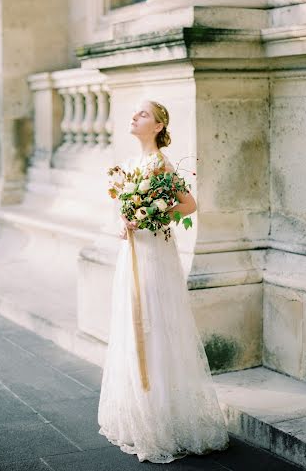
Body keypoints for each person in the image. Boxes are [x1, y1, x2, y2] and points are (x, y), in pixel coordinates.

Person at [97, 100, 230, 463]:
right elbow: (119, 211)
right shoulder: (128, 167)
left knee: (154, 324)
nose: (134, 116)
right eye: (135, 112)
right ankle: (140, 414)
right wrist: (124, 224)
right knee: (132, 322)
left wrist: (156, 213)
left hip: (155, 255)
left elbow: (188, 205)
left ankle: (162, 417)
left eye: (142, 114)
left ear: (157, 126)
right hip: (133, 253)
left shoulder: (161, 164)